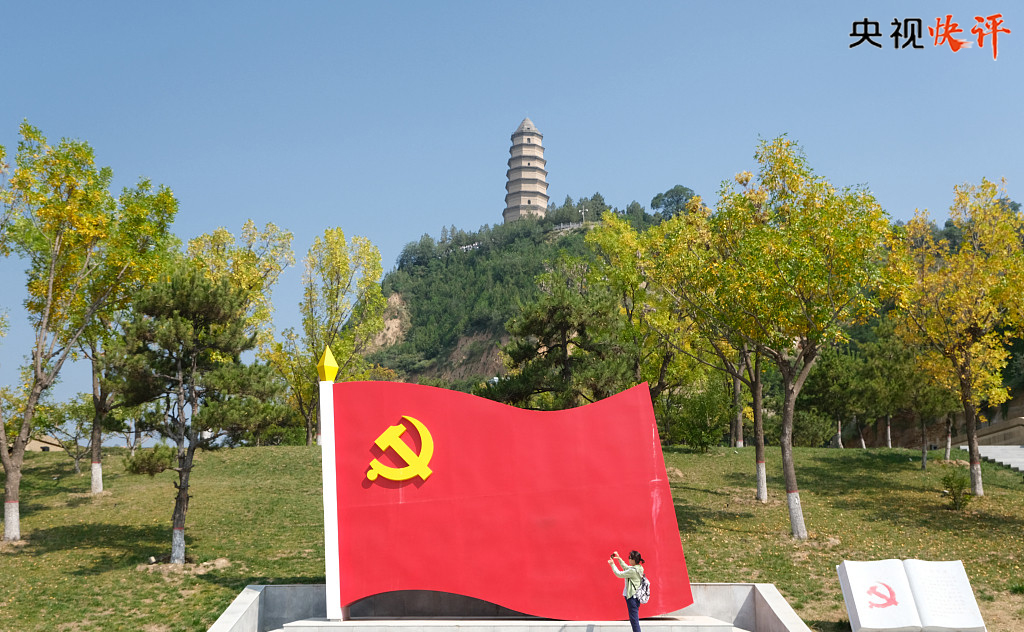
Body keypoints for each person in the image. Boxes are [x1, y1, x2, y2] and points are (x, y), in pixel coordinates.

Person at [608, 549, 645, 632]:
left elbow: (619, 574)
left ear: (634, 560)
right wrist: (619, 559)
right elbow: (626, 567)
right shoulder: (639, 567)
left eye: (630, 558)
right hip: (636, 596)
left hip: (632, 597)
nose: (628, 559)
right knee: (634, 619)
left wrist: (612, 565)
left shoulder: (633, 571)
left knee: (634, 620)